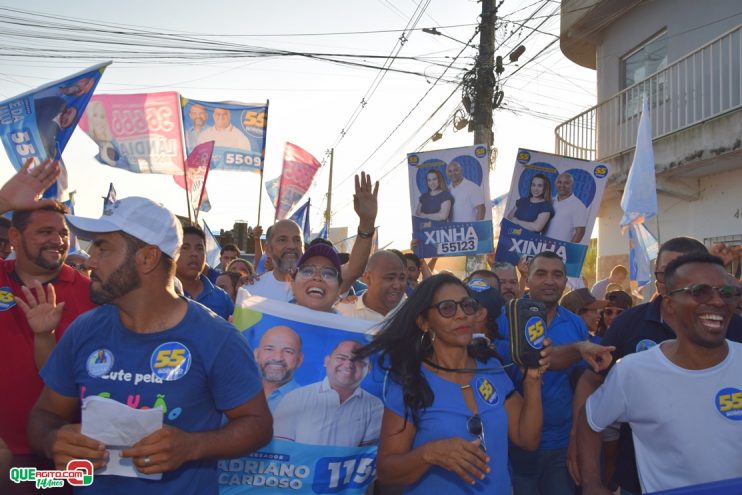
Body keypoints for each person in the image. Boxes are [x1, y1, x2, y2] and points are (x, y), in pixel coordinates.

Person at [27, 196, 272, 493]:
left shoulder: (217, 338)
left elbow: (258, 425)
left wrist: (192, 446)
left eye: (103, 248)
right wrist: (53, 439)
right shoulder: (84, 330)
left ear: (147, 258)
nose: (91, 260)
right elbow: (43, 416)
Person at [569, 236, 742, 494]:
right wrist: (592, 483)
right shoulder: (633, 372)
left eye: (726, 292)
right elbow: (590, 419)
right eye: (699, 291)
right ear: (669, 305)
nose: (717, 302)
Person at [356, 274, 549, 494]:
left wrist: (532, 379)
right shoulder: (410, 380)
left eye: (467, 306)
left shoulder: (491, 366)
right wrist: (429, 454)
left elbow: (527, 440)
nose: (461, 315)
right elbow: (387, 472)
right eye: (447, 308)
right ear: (424, 322)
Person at [0, 159, 96, 495]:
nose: (58, 240)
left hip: (62, 459)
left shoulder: (93, 294)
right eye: (45, 231)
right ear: (14, 236)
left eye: (63, 233)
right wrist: (3, 201)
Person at [508, 251, 614, 495]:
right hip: (516, 446)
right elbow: (541, 359)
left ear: (565, 282)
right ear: (528, 278)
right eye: (541, 273)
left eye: (557, 275)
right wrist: (578, 349)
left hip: (561, 444)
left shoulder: (575, 324)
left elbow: (582, 383)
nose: (549, 281)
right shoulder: (506, 319)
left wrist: (577, 434)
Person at [240, 172, 378, 301]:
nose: (291, 246)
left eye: (297, 240)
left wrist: (367, 223)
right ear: (268, 249)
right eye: (283, 240)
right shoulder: (250, 290)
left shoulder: (323, 282)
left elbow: (353, 270)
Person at [273, 339, 383, 447]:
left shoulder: (374, 406)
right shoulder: (295, 398)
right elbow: (280, 450)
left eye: (358, 360)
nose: (349, 364)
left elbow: (366, 457)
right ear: (327, 361)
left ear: (368, 368)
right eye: (341, 358)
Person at [176, 225, 234, 319]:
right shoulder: (161, 295)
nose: (194, 253)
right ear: (173, 252)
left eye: (199, 248)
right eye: (185, 247)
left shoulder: (222, 298)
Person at [336, 250, 406, 322]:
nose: (397, 286)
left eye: (402, 278)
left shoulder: (412, 311)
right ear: (368, 278)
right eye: (390, 278)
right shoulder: (344, 313)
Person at [254, 325, 304, 412]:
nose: (277, 358)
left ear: (299, 360)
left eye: (288, 351)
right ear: (256, 355)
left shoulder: (307, 403)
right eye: (269, 349)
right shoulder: (236, 390)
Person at [291, 243, 343, 313]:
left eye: (328, 274)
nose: (317, 277)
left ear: (338, 291)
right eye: (307, 271)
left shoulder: (350, 323)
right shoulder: (274, 318)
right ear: (293, 284)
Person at [544, 173, 589, 243]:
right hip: (541, 246)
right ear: (555, 184)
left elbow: (580, 232)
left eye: (566, 183)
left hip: (559, 250)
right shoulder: (550, 201)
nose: (562, 185)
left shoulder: (578, 206)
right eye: (559, 182)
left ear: (572, 185)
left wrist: (567, 249)